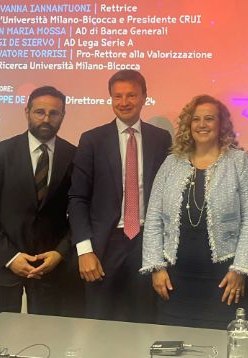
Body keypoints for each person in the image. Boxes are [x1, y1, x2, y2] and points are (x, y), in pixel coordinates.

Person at [141, 95, 248, 329]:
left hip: (225, 280)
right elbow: (154, 218)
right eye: (196, 119)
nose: (202, 124)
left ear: (221, 124)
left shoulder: (239, 162)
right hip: (175, 280)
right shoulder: (171, 163)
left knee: (222, 340)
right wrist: (156, 266)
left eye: (209, 118)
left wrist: (240, 269)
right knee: (174, 341)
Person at [68, 70, 171, 322]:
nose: (124, 102)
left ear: (144, 97)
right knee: (100, 320)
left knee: (145, 318)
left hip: (147, 242)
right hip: (105, 245)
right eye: (118, 96)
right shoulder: (92, 140)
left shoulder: (161, 139)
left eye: (131, 95)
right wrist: (84, 251)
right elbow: (78, 198)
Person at [0, 86, 77, 321]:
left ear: (63, 115)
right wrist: (10, 258)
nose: (46, 119)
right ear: (27, 112)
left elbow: (79, 213)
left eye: (54, 113)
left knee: (48, 339)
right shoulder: (1, 153)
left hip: (50, 269)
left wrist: (60, 253)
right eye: (39, 112)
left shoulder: (74, 155)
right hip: (0, 266)